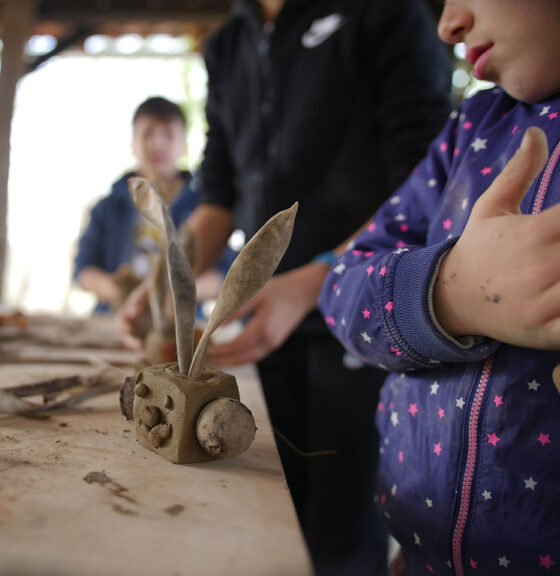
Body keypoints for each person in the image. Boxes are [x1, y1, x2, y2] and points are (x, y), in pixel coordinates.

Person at [118, 1, 453, 574]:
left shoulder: (385, 15)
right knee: (266, 505)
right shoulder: (228, 43)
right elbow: (220, 192)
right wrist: (167, 277)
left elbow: (421, 183)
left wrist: (318, 277)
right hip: (266, 320)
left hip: (368, 317)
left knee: (341, 529)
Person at [318, 0, 560, 573]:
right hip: (415, 552)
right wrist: (448, 292)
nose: (448, 24)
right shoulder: (473, 127)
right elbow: (342, 286)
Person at [73, 96, 233, 314]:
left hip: (177, 322)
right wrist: (120, 291)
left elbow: (226, 273)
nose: (157, 143)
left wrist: (176, 292)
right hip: (114, 317)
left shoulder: (206, 207)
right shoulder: (108, 207)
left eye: (168, 134)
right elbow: (83, 269)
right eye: (147, 134)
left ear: (183, 145)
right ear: (132, 143)